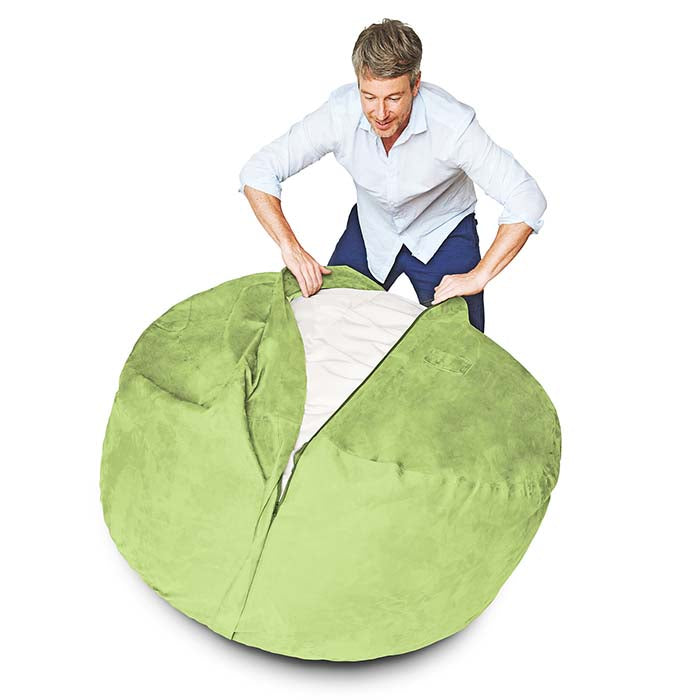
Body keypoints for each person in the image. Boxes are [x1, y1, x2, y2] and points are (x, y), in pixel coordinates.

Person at [238, 18, 547, 333]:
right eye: (369, 97)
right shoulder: (339, 113)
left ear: (416, 84)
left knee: (459, 345)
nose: (381, 113)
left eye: (394, 98)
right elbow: (258, 171)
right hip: (372, 229)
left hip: (442, 232)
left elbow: (526, 198)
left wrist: (480, 275)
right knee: (328, 324)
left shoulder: (453, 126)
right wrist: (290, 247)